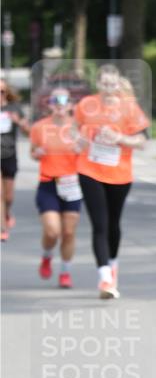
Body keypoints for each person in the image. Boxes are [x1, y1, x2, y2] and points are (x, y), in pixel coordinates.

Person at [75, 64, 149, 299]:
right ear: (98, 84)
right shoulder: (86, 105)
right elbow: (74, 132)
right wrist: (80, 141)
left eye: (112, 84)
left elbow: (143, 140)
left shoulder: (129, 107)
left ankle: (113, 264)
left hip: (119, 173)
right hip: (89, 169)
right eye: (104, 84)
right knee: (100, 224)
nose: (108, 88)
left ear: (118, 84)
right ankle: (105, 277)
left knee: (113, 224)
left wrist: (119, 138)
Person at [30, 88, 83, 288]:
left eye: (64, 100)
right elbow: (32, 151)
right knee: (52, 232)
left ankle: (65, 272)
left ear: (71, 105)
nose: (60, 105)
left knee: (68, 232)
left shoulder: (78, 128)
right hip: (48, 183)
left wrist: (82, 149)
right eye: (55, 100)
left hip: (72, 184)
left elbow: (89, 152)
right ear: (50, 104)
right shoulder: (39, 127)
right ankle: (47, 256)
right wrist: (37, 152)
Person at [1, 79, 30, 241]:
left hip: (9, 155)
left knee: (8, 196)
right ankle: (2, 228)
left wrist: (17, 121)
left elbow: (29, 132)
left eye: (1, 91)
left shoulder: (15, 108)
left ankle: (6, 213)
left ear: (6, 93)